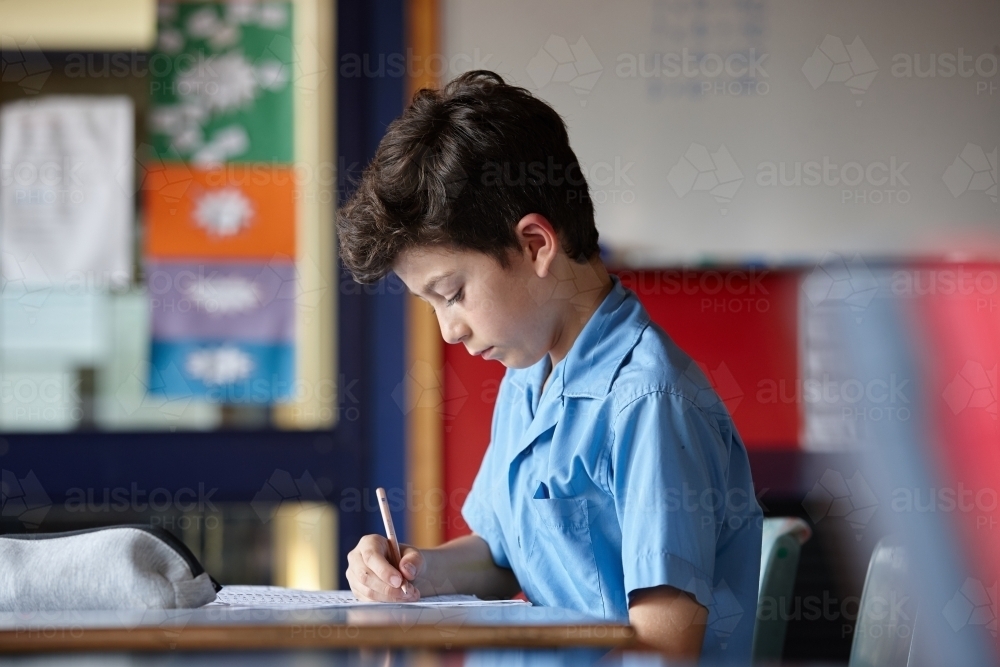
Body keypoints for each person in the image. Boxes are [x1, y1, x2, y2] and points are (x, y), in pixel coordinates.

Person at [337, 70, 763, 662]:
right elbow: (497, 556)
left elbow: (662, 649)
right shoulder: (527, 378)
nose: (449, 330)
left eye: (453, 293)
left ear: (537, 245)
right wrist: (416, 569)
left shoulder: (647, 403)